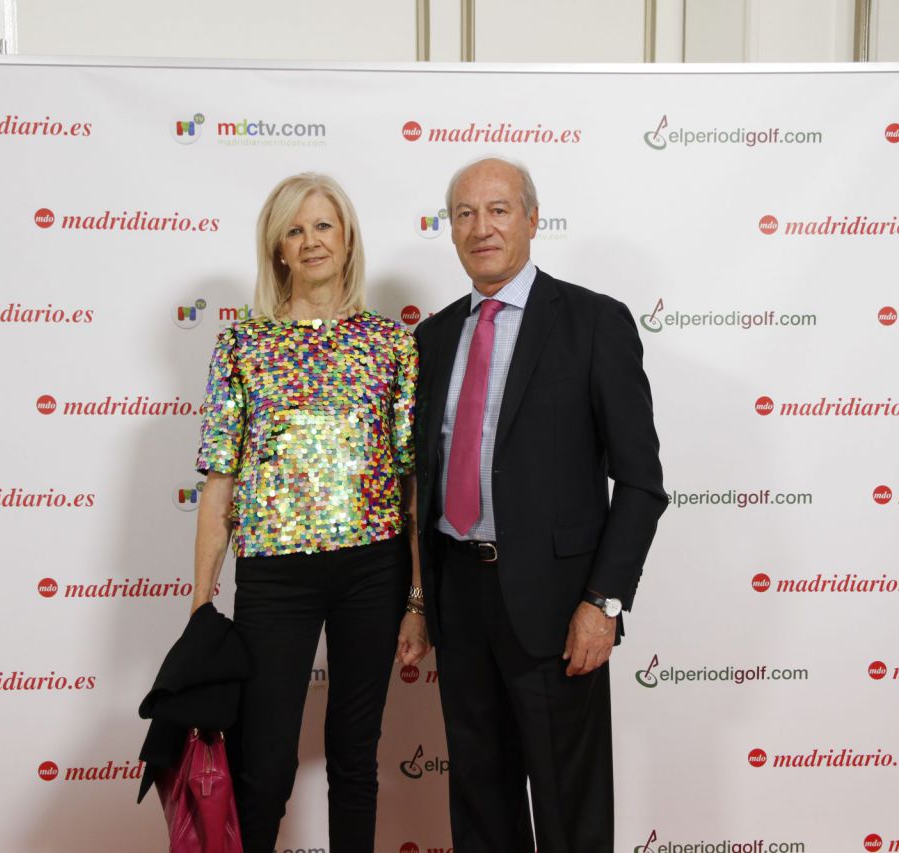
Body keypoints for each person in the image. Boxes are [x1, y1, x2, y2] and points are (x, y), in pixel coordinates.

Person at [413, 156, 667, 853]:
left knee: (569, 810)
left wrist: (604, 602)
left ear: (531, 219)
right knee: (480, 803)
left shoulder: (592, 322)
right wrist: (416, 600)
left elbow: (642, 483)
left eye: (497, 209)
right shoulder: (433, 339)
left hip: (559, 608)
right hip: (459, 600)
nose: (481, 227)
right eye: (464, 213)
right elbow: (423, 479)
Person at [191, 172, 431, 853]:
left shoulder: (392, 345)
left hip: (373, 570)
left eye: (323, 224)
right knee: (262, 765)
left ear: (347, 236)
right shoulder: (243, 345)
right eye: (295, 230)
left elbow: (412, 483)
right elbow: (220, 481)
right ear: (278, 250)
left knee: (355, 756)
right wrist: (199, 600)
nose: (311, 240)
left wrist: (416, 597)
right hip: (274, 575)